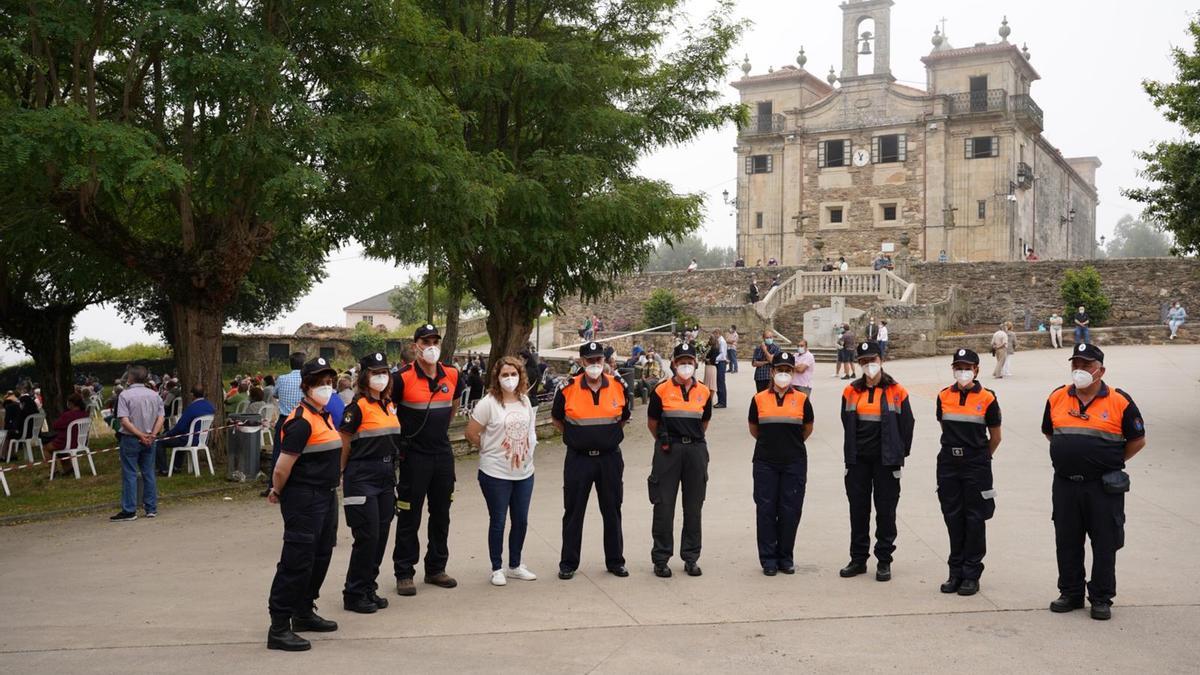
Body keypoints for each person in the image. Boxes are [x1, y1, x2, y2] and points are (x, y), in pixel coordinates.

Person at [1043, 343, 1146, 621]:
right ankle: (1071, 592)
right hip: (1065, 484)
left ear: (1100, 370)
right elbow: (1050, 433)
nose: (1080, 370)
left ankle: (1101, 597)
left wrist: (1110, 462)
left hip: (1102, 487)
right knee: (1067, 540)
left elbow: (1137, 440)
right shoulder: (1057, 397)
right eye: (1075, 364)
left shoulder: (1119, 401)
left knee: (1104, 542)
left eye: (1086, 365)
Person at [265, 357, 341, 651]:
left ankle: (304, 611)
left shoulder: (323, 415)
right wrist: (277, 490)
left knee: (320, 556)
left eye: (329, 381)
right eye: (319, 382)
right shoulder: (299, 421)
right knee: (296, 561)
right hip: (304, 497)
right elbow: (283, 467)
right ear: (305, 386)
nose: (326, 387)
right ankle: (279, 626)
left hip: (325, 494)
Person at [392, 324, 465, 596]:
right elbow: (390, 411)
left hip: (442, 454)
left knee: (442, 514)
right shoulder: (401, 378)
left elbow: (454, 406)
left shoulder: (453, 375)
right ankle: (404, 572)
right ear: (416, 345)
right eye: (426, 341)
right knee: (409, 515)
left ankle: (436, 568)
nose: (431, 345)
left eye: (435, 340)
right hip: (413, 455)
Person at [552, 342, 631, 580]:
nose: (595, 364)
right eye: (590, 360)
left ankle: (616, 561)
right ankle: (568, 563)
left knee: (612, 510)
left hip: (609, 459)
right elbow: (557, 420)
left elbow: (624, 418)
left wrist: (606, 438)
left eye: (598, 360)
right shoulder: (567, 388)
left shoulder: (618, 386)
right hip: (579, 459)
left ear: (604, 361)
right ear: (581, 361)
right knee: (574, 512)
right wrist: (578, 438)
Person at [838, 341, 915, 582]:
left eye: (872, 360)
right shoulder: (851, 391)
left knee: (886, 512)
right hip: (858, 461)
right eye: (863, 361)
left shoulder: (897, 391)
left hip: (886, 462)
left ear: (881, 360)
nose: (868, 365)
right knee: (858, 511)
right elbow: (846, 422)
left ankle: (884, 560)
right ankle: (858, 559)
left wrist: (898, 454)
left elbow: (907, 425)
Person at [335, 353, 403, 614]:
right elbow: (344, 442)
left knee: (382, 535)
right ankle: (354, 592)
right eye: (375, 373)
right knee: (367, 535)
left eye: (384, 372)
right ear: (364, 377)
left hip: (386, 474)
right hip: (362, 474)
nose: (381, 377)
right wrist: (340, 473)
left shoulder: (388, 405)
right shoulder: (357, 407)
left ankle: (368, 587)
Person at [467, 357, 539, 586]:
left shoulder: (525, 401)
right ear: (497, 378)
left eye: (514, 374)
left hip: (524, 472)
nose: (510, 379)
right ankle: (497, 567)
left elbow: (530, 431)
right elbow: (471, 433)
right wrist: (488, 449)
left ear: (521, 376)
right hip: (495, 473)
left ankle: (515, 565)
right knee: (498, 520)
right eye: (505, 375)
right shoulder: (488, 404)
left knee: (521, 520)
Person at [935, 349, 1002, 596]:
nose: (962, 371)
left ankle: (971, 573)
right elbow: (945, 427)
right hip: (948, 464)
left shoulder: (988, 398)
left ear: (976, 370)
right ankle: (955, 572)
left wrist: (982, 458)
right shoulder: (943, 396)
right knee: (952, 516)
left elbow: (995, 437)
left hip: (976, 465)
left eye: (967, 367)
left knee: (975, 518)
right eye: (958, 367)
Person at [646, 342, 713, 578]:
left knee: (693, 507)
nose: (686, 366)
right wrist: (668, 442)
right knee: (664, 506)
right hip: (668, 450)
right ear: (673, 364)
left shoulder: (704, 391)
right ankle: (661, 559)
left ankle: (691, 557)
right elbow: (652, 422)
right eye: (681, 362)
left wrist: (691, 440)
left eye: (689, 362)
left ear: (695, 364)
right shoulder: (661, 390)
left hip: (695, 450)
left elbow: (704, 422)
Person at [748, 352, 814, 576]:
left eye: (788, 370)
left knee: (790, 510)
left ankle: (785, 557)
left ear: (793, 373)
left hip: (793, 462)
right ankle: (768, 559)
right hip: (766, 462)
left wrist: (789, 445)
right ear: (772, 371)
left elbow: (807, 428)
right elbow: (754, 429)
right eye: (780, 370)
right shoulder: (758, 399)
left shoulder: (803, 400)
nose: (783, 374)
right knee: (766, 510)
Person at [109, 366, 164, 522]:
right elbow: (160, 417)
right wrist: (152, 434)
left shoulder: (125, 395)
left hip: (131, 437)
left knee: (130, 473)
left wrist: (139, 434)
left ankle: (129, 509)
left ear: (130, 378)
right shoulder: (155, 395)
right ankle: (151, 508)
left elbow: (124, 420)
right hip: (150, 437)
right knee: (149, 473)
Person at [155, 385, 216, 475]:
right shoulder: (210, 406)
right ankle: (177, 466)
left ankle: (163, 469)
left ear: (192, 395)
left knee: (158, 442)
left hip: (188, 439)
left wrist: (168, 434)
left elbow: (180, 427)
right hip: (202, 439)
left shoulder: (192, 408)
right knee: (182, 436)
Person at [44, 393, 89, 472]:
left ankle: (53, 471)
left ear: (71, 403)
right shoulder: (85, 414)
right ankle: (68, 468)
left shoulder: (68, 415)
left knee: (46, 448)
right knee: (60, 449)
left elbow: (55, 426)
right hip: (82, 442)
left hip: (67, 442)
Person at [713, 328, 728, 408]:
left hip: (721, 362)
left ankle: (722, 402)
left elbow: (722, 354)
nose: (714, 335)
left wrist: (714, 359)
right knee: (718, 382)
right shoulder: (719, 341)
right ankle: (720, 400)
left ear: (718, 333)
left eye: (715, 334)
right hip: (719, 362)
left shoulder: (722, 341)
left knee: (720, 382)